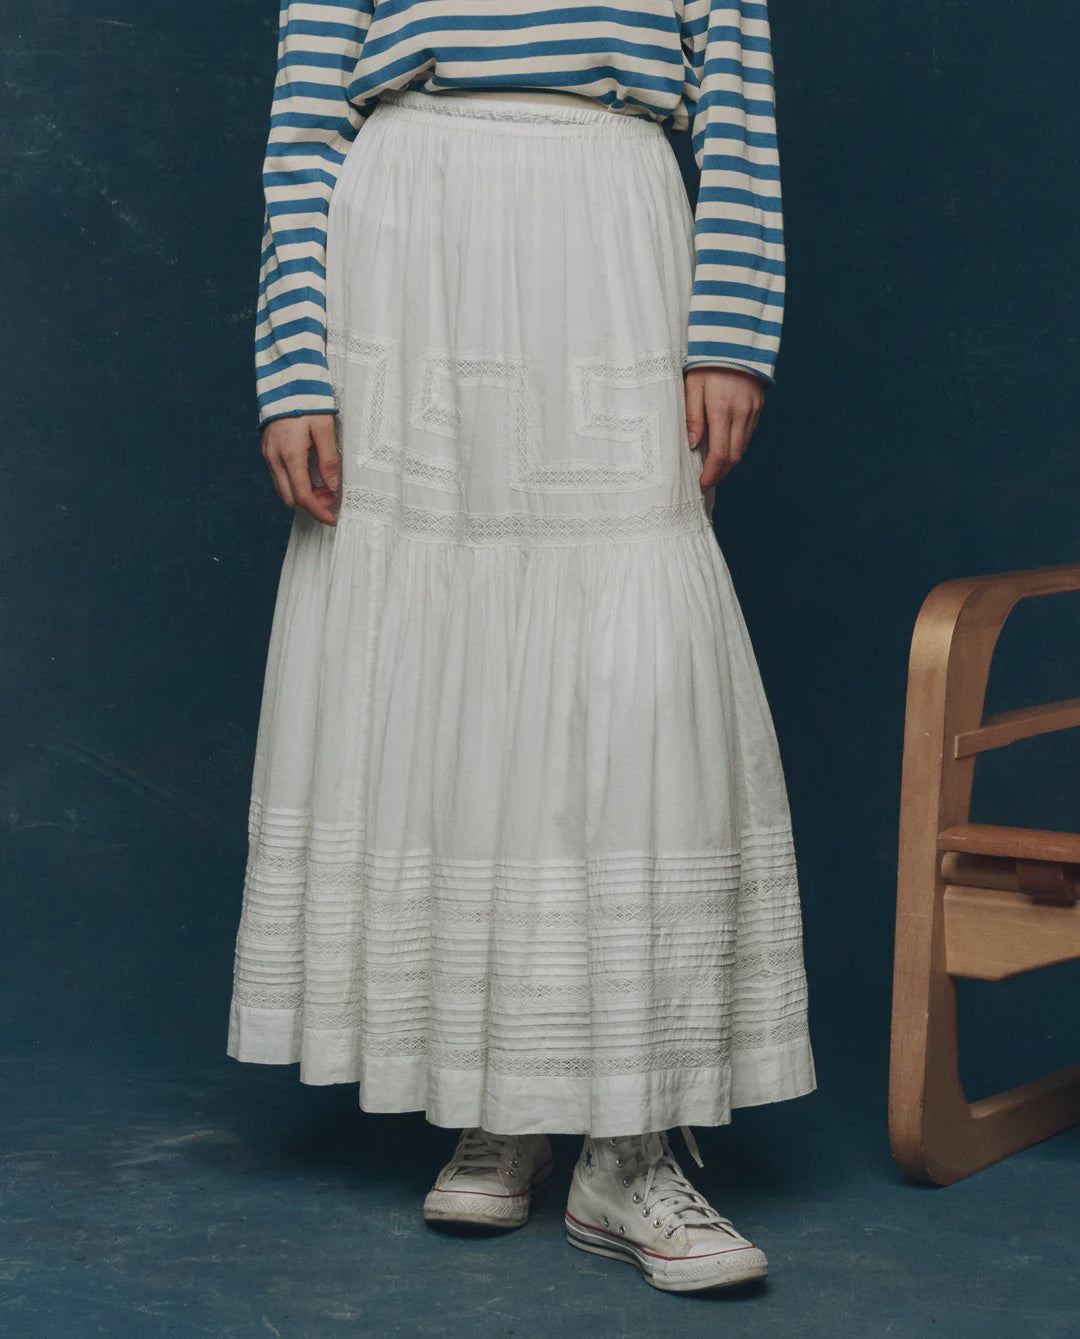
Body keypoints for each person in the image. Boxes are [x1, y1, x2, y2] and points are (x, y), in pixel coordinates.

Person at [227, 0, 816, 1295]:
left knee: (628, 665)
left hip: (609, 236)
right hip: (407, 252)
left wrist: (727, 332)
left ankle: (629, 1146)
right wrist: (295, 366)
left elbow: (739, 100)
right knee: (449, 675)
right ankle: (504, 1097)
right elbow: (306, 110)